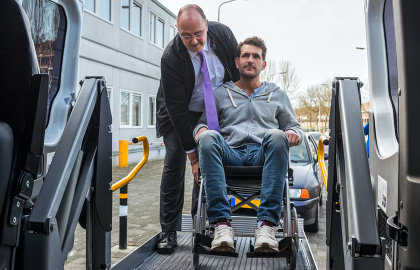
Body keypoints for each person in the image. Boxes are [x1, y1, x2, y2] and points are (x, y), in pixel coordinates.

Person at [193, 36, 303, 253]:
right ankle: (222, 226)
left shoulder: (277, 94)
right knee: (208, 137)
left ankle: (266, 227)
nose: (250, 60)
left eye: (256, 56)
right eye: (246, 55)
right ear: (237, 62)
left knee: (276, 134)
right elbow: (201, 124)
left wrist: (292, 133)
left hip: (264, 155)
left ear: (264, 64)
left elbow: (295, 128)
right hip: (230, 153)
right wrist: (201, 131)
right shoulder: (221, 93)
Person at [155, 4, 239, 254]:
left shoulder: (223, 36)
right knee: (175, 160)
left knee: (208, 161)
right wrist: (191, 155)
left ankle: (200, 228)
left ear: (207, 26)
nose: (193, 40)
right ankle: (169, 230)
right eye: (186, 35)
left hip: (212, 110)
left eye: (198, 34)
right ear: (178, 31)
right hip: (178, 113)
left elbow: (235, 76)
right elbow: (176, 109)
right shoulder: (171, 57)